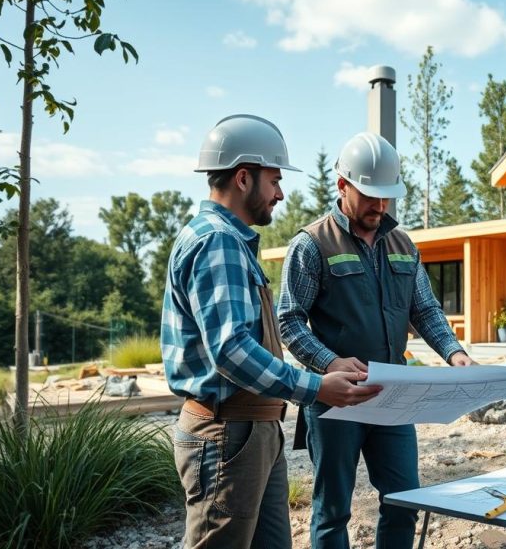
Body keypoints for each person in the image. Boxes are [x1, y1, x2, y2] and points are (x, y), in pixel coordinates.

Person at [160, 115, 382, 549]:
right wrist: (316, 386)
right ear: (244, 178)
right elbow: (231, 350)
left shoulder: (229, 240)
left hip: (251, 427)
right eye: (274, 179)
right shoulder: (217, 242)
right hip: (226, 432)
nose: (281, 193)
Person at [278, 131, 475, 549]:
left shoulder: (404, 245)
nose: (380, 206)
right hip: (335, 400)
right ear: (343, 186)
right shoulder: (311, 245)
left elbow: (425, 310)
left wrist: (454, 352)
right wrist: (329, 362)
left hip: (394, 397)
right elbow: (289, 322)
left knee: (405, 500)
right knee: (333, 511)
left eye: (386, 196)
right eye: (370, 195)